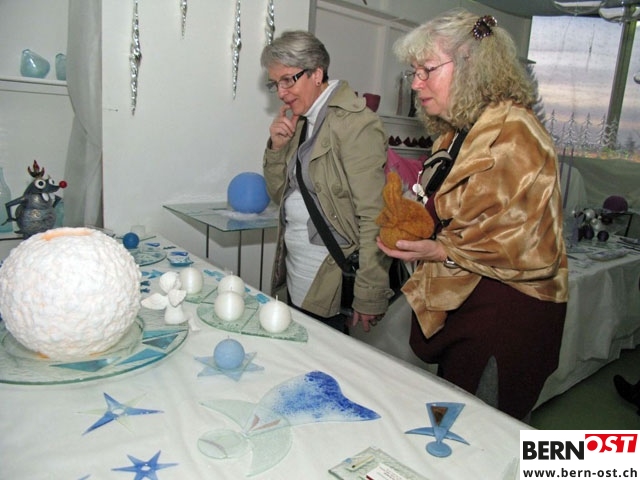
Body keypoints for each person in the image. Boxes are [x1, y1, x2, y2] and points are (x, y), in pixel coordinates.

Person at [378, 10, 568, 420]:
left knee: (483, 429)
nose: (416, 83)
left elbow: (522, 246)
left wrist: (438, 250)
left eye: (427, 70)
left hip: (505, 316)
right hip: (467, 306)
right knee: (453, 419)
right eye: (413, 72)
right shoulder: (457, 132)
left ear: (470, 64)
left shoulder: (515, 133)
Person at [260, 30, 392, 333]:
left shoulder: (355, 123)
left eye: (287, 80)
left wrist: (369, 293)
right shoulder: (303, 120)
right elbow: (280, 195)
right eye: (275, 83)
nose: (280, 92)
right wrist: (277, 149)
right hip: (296, 273)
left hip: (330, 279)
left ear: (316, 73)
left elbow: (375, 214)